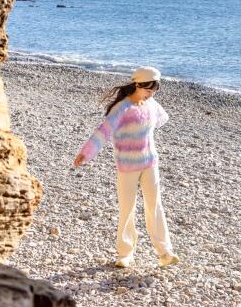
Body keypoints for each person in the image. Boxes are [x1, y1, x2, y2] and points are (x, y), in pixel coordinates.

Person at [73, 65, 179, 269]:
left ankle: (165, 252)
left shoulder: (151, 104)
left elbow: (161, 119)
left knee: (155, 205)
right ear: (137, 85)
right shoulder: (122, 108)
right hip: (128, 167)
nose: (151, 94)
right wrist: (86, 153)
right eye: (148, 89)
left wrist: (140, 135)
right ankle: (125, 254)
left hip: (150, 163)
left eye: (155, 90)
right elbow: (103, 132)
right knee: (127, 208)